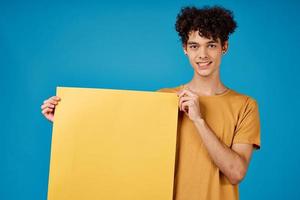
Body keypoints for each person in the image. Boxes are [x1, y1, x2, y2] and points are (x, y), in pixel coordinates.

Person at [41, 5, 260, 200]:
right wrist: (65, 121)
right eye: (194, 46)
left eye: (211, 45)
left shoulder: (245, 105)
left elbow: (236, 173)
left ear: (224, 47)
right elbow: (119, 144)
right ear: (185, 48)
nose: (202, 54)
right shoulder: (164, 100)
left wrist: (199, 121)